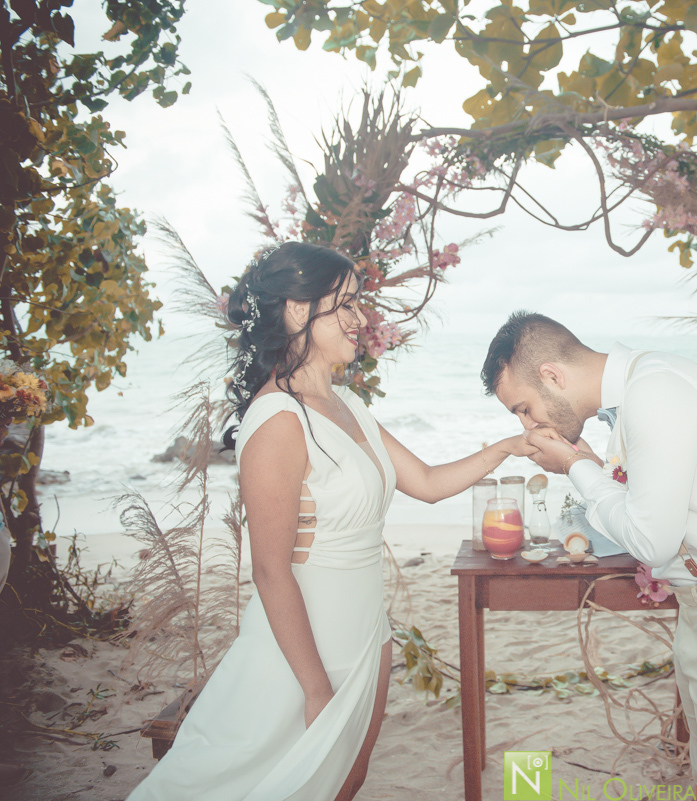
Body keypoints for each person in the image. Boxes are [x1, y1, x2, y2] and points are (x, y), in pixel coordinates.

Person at [128, 243, 536, 801]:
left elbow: (428, 483)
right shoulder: (276, 418)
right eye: (343, 304)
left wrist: (511, 446)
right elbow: (271, 571)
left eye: (358, 303)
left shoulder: (349, 404)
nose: (360, 318)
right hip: (302, 658)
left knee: (343, 785)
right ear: (297, 311)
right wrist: (315, 688)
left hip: (365, 636)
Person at [480, 312, 697, 801]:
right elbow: (651, 509)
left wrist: (577, 466)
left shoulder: (656, 393)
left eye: (524, 408)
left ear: (553, 375)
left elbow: (652, 541)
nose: (528, 425)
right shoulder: (638, 392)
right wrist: (594, 469)